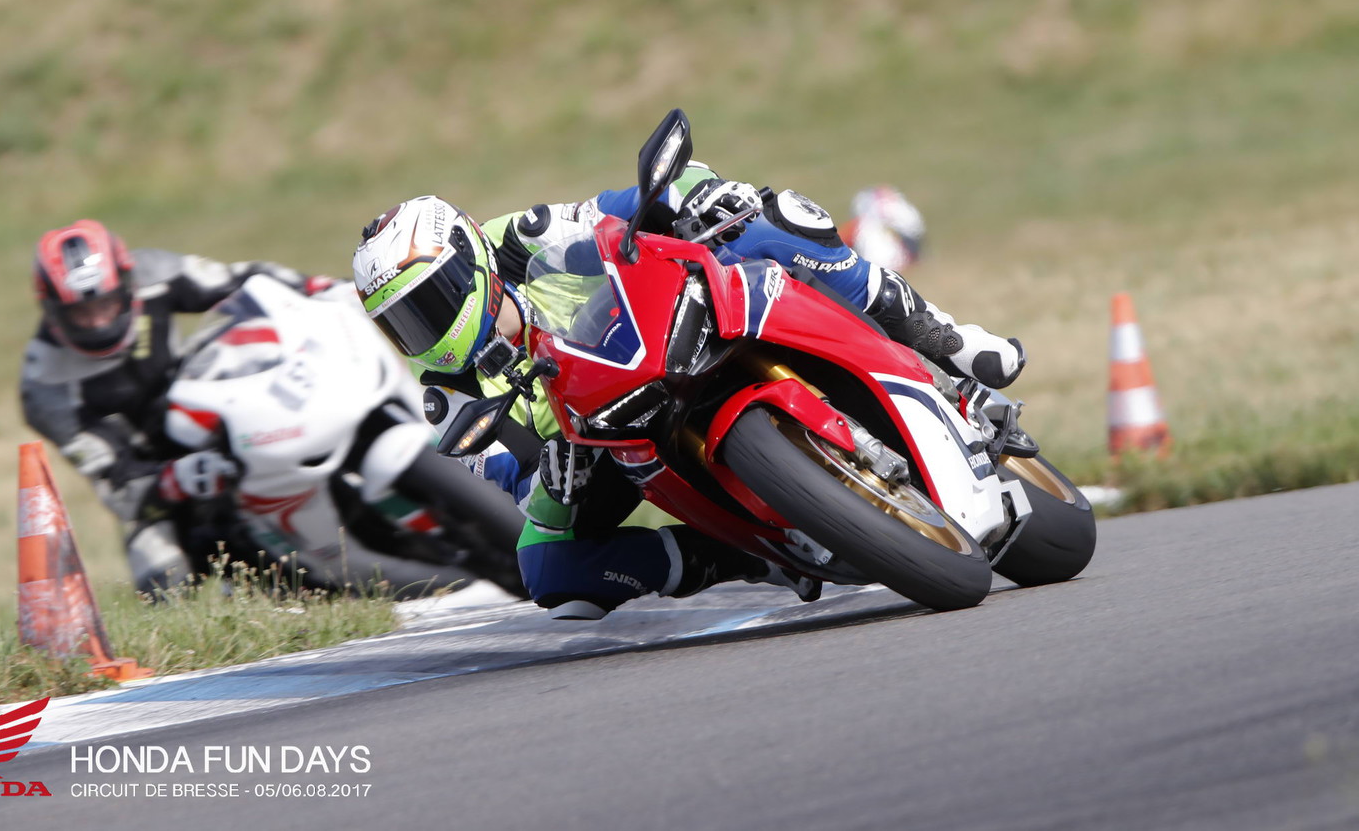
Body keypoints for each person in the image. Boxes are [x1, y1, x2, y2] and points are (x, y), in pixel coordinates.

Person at [351, 162, 1024, 619]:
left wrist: (691, 199)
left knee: (770, 216)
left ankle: (947, 341)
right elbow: (515, 488)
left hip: (670, 325)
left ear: (469, 259)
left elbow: (623, 212)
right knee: (547, 571)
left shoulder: (520, 241)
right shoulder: (450, 399)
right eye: (403, 322)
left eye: (431, 301)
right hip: (604, 440)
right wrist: (549, 478)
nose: (426, 330)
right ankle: (751, 559)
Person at [20, 219, 337, 591]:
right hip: (154, 483)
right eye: (80, 313)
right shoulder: (45, 386)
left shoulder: (154, 272)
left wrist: (317, 287)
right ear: (52, 310)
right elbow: (117, 485)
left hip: (208, 421)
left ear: (127, 284)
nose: (98, 323)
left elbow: (246, 281)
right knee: (160, 574)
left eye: (106, 303)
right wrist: (174, 480)